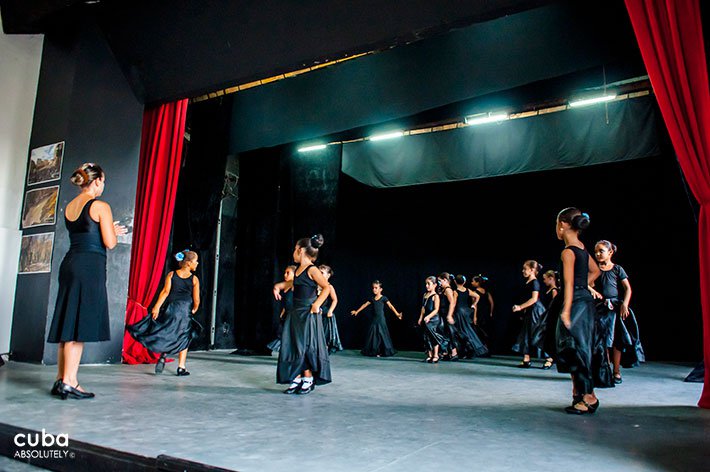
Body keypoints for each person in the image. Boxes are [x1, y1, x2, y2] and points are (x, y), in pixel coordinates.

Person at [47, 163, 127, 399]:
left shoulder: (70, 206)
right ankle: (71, 381)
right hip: (89, 266)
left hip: (70, 263)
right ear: (97, 181)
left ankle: (61, 379)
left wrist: (105, 229)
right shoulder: (100, 205)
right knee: (79, 325)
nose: (104, 185)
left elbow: (85, 231)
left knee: (68, 323)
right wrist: (111, 229)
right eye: (103, 180)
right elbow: (110, 242)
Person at [555, 207, 601, 414]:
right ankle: (579, 394)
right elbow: (596, 270)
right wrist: (586, 286)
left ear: (563, 225)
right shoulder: (581, 248)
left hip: (574, 304)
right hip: (584, 303)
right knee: (577, 348)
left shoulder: (568, 252)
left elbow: (568, 282)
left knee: (576, 348)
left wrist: (566, 310)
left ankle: (588, 397)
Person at [127, 250, 201, 376]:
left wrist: (156, 307)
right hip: (184, 310)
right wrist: (194, 308)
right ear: (188, 263)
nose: (197, 263)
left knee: (168, 332)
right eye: (195, 261)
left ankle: (163, 355)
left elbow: (165, 292)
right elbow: (197, 299)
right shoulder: (194, 279)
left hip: (171, 309)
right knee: (184, 337)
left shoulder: (172, 275)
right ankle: (181, 367)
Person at [273, 234, 332, 394]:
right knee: (292, 343)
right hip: (296, 311)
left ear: (300, 251)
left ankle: (308, 378)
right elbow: (296, 282)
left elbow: (326, 287)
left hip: (307, 312)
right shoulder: (298, 270)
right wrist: (279, 285)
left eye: (294, 249)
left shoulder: (312, 269)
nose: (293, 252)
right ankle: (296, 377)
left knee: (304, 345)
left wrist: (316, 304)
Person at [590, 240, 644, 384]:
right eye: (596, 251)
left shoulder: (617, 269)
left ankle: (616, 371)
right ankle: (605, 369)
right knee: (603, 340)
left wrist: (625, 304)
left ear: (610, 252)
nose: (597, 254)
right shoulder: (595, 270)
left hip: (614, 308)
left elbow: (627, 288)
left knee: (616, 341)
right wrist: (593, 290)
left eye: (601, 251)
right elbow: (585, 283)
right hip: (600, 308)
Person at [512, 261, 553, 369]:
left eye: (525, 269)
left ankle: (549, 358)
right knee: (526, 334)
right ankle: (526, 359)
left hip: (536, 311)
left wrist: (520, 307)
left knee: (538, 334)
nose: (523, 271)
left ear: (532, 270)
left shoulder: (535, 282)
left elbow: (534, 299)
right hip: (530, 311)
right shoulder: (529, 282)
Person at [351, 280, 402, 357]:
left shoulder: (383, 298)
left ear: (380, 289)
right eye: (373, 288)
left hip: (381, 319)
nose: (374, 289)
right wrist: (357, 311)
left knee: (382, 335)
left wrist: (397, 314)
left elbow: (391, 306)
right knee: (374, 335)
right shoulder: (372, 299)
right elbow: (364, 305)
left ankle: (383, 351)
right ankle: (375, 351)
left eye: (376, 288)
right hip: (375, 319)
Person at [452, 275, 488, 359]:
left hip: (459, 312)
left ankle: (469, 350)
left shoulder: (455, 291)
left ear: (455, 282)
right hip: (467, 311)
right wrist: (474, 304)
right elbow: (477, 296)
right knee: (468, 330)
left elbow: (453, 304)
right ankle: (469, 350)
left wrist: (451, 313)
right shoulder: (467, 290)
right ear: (464, 282)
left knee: (462, 332)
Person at [267, 265, 296, 354]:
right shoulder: (286, 286)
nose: (285, 275)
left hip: (294, 316)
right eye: (285, 272)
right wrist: (282, 313)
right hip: (286, 315)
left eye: (288, 273)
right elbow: (286, 303)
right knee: (283, 334)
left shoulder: (294, 285)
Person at [418, 276, 447, 363]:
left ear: (434, 285)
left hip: (433, 319)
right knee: (426, 337)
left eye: (429, 284)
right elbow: (423, 308)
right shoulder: (425, 295)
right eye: (426, 284)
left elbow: (436, 309)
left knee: (433, 337)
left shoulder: (435, 296)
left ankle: (436, 355)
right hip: (426, 318)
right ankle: (429, 355)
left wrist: (429, 317)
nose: (427, 286)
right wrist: (420, 317)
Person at [319, 265, 343, 354]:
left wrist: (330, 310)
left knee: (324, 336)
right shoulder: (314, 285)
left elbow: (335, 300)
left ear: (328, 275)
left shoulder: (329, 287)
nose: (319, 274)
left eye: (322, 273)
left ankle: (323, 355)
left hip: (324, 314)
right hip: (314, 312)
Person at [437, 273, 458, 360]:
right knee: (445, 333)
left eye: (440, 281)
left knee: (450, 333)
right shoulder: (443, 289)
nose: (439, 283)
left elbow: (452, 303)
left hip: (447, 314)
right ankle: (446, 352)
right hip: (443, 314)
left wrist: (449, 315)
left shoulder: (448, 290)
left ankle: (454, 353)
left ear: (445, 280)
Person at [471, 275, 494, 351]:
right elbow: (492, 303)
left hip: (479, 313)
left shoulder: (474, 293)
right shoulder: (486, 292)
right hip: (486, 313)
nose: (471, 283)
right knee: (485, 330)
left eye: (473, 281)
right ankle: (486, 348)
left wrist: (474, 316)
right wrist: (490, 312)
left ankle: (481, 349)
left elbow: (475, 305)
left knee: (479, 331)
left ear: (477, 283)